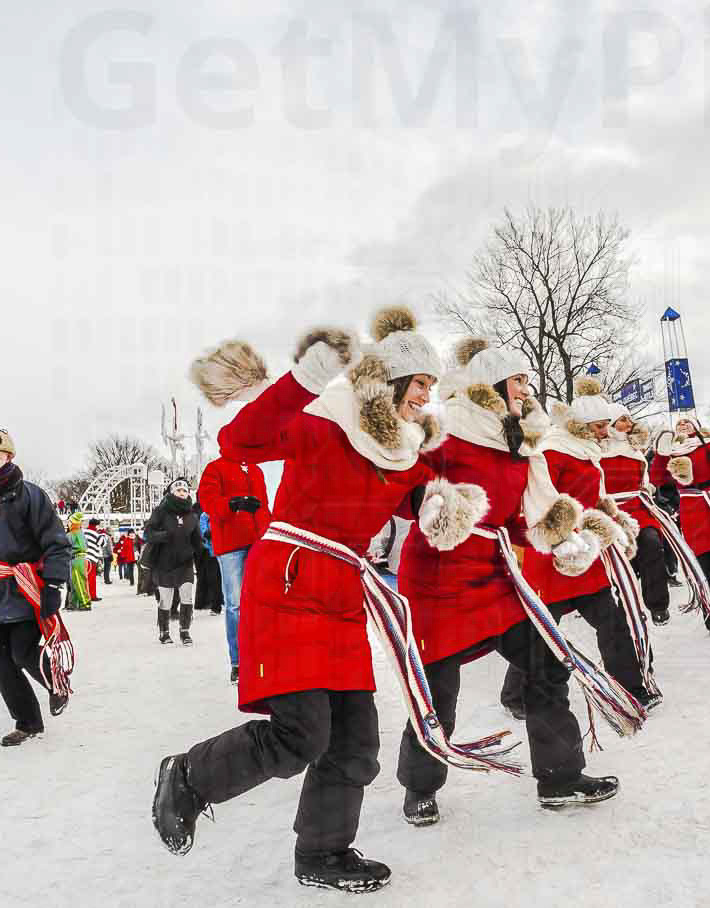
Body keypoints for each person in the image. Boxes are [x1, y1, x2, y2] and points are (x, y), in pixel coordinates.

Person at [153, 309, 488, 892]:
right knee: (300, 734)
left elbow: (421, 499)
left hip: (341, 597)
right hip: (287, 582)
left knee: (356, 739)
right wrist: (303, 381)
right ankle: (187, 776)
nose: (425, 398)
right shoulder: (328, 424)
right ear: (389, 383)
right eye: (419, 385)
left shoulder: (406, 454)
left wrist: (439, 505)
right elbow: (240, 441)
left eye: (431, 388)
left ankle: (323, 853)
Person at [396, 337, 632, 828]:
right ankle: (420, 787)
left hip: (494, 575)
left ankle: (560, 777)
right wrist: (431, 502)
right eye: (519, 380)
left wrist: (563, 538)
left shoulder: (520, 444)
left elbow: (522, 516)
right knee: (438, 692)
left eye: (527, 380)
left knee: (545, 662)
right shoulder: (447, 431)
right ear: (494, 384)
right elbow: (405, 487)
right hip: (438, 580)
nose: (527, 389)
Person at [500, 379, 652, 716]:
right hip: (555, 555)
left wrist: (615, 521)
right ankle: (514, 695)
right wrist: (559, 537)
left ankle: (630, 688)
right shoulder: (553, 450)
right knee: (542, 630)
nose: (604, 432)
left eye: (605, 426)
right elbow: (537, 499)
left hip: (585, 552)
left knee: (611, 620)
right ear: (580, 425)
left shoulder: (588, 453)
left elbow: (597, 496)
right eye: (599, 426)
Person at [0, 429, 73, 746]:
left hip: (25, 588)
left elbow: (56, 543)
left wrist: (53, 584)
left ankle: (57, 682)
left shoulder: (30, 496)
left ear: (8, 456)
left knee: (22, 651)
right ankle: (28, 722)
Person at [650, 413, 710, 634]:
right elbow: (656, 478)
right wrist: (661, 453)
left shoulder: (708, 446)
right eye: (679, 423)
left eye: (687, 421)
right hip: (692, 513)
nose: (683, 424)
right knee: (704, 570)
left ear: (697, 426)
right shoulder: (671, 454)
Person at [198, 452, 271, 685]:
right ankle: (238, 661)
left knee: (261, 602)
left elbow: (264, 507)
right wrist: (232, 504)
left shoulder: (255, 470)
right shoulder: (215, 468)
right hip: (231, 545)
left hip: (258, 541)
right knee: (235, 603)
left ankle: (260, 657)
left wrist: (269, 533)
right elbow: (207, 501)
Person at [599, 406, 675, 624]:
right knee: (622, 561)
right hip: (612, 512)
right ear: (611, 423)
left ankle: (658, 605)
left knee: (652, 544)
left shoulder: (636, 450)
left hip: (638, 509)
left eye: (630, 420)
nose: (629, 424)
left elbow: (647, 482)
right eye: (623, 420)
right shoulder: (597, 449)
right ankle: (625, 607)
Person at [145, 479, 202, 645]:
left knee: (187, 594)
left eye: (184, 491)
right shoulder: (160, 511)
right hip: (164, 563)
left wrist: (202, 553)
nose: (182, 493)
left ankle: (185, 631)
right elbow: (148, 532)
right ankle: (164, 631)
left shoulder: (192, 516)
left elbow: (197, 540)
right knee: (166, 600)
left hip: (185, 562)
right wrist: (163, 536)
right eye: (178, 490)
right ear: (171, 493)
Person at [65, 514, 91, 610]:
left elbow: (65, 548)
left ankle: (85, 603)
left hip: (75, 559)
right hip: (82, 559)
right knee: (76, 582)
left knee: (78, 582)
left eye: (69, 522)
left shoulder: (70, 535)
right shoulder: (81, 533)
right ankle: (73, 604)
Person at [84, 518, 105, 602]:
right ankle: (92, 595)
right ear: (97, 525)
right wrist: (103, 533)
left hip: (82, 557)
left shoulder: (83, 531)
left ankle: (84, 594)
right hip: (92, 558)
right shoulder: (96, 534)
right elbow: (103, 543)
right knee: (91, 578)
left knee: (84, 577)